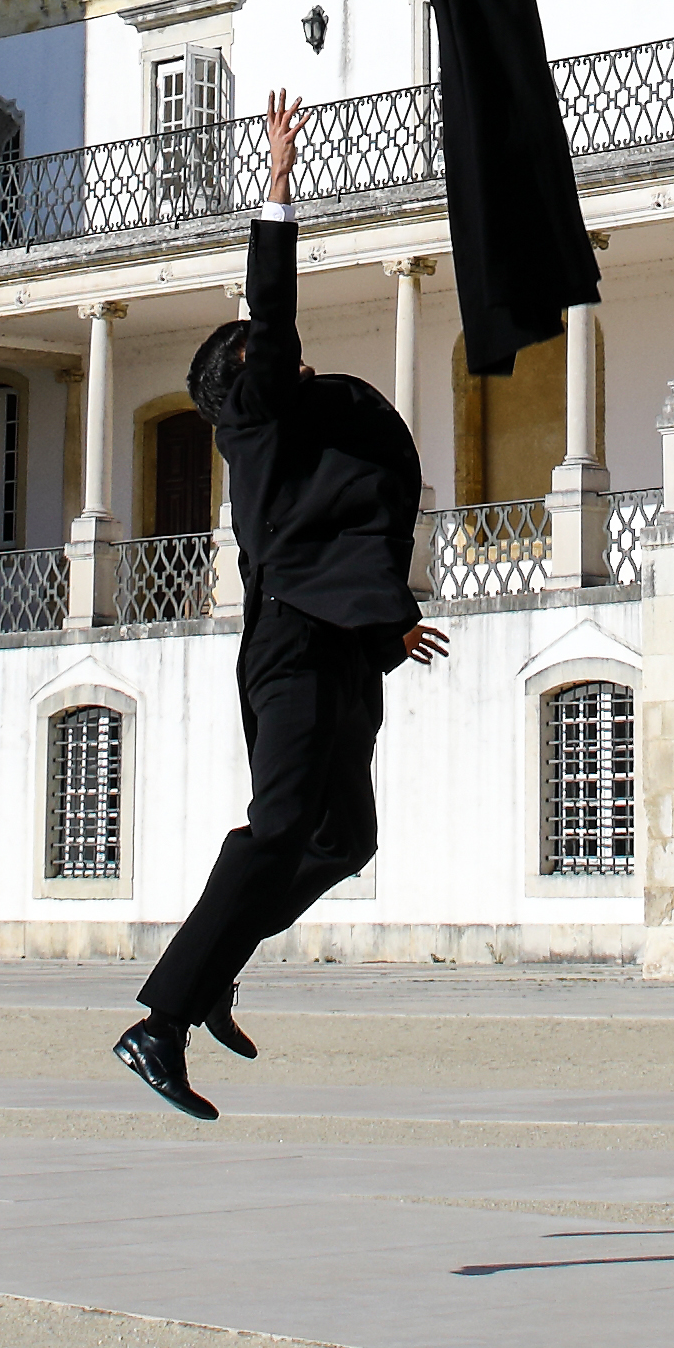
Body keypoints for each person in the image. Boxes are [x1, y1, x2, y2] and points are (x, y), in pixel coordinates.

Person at [115, 92, 441, 1119]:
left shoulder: (309, 425)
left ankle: (212, 977)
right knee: (278, 827)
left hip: (342, 644)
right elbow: (273, 311)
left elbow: (351, 522)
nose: (282, 353)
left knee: (345, 838)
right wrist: (278, 191)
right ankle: (161, 1016)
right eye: (260, 354)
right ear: (241, 380)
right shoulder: (254, 428)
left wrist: (388, 621)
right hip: (293, 647)